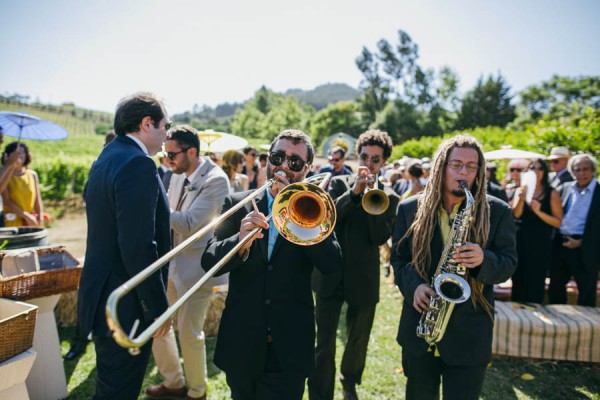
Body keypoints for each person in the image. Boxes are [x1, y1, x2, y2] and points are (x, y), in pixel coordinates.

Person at [201, 129, 343, 400]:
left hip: (288, 345)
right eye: (277, 157)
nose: (283, 167)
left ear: (307, 168)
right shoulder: (238, 202)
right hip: (242, 340)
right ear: (267, 160)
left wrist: (306, 222)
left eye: (295, 162)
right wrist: (238, 241)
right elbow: (209, 261)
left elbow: (332, 264)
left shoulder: (317, 206)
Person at [391, 134, 517, 400]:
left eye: (471, 167)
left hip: (469, 338)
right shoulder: (409, 208)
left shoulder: (499, 211)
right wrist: (414, 287)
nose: (464, 172)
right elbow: (399, 260)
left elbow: (508, 264)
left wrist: (484, 259)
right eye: (456, 164)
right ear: (441, 167)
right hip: (420, 331)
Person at [77, 92, 172, 399]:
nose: (167, 134)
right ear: (147, 123)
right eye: (164, 126)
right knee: (119, 391)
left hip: (101, 295)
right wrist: (157, 308)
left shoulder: (107, 156)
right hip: (125, 303)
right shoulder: (138, 163)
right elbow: (138, 246)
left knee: (111, 386)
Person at [309, 130, 399, 400]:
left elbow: (379, 237)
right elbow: (328, 219)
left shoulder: (390, 196)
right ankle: (320, 392)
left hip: (363, 276)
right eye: (364, 157)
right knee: (323, 341)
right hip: (330, 273)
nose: (369, 164)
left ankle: (349, 382)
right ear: (356, 156)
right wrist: (355, 192)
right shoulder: (338, 184)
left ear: (383, 163)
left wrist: (373, 196)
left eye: (375, 159)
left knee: (358, 338)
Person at [146, 125, 229, 400]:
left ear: (192, 151)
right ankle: (173, 382)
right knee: (158, 323)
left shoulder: (216, 180)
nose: (167, 160)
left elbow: (191, 224)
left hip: (196, 268)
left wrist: (154, 206)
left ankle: (197, 392)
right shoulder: (176, 174)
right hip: (168, 263)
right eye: (166, 154)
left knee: (190, 334)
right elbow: (171, 218)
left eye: (172, 154)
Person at [548, 154, 599, 307]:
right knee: (556, 286)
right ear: (572, 171)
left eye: (586, 169)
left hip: (586, 246)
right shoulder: (564, 188)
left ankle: (585, 328)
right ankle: (558, 323)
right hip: (560, 243)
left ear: (593, 171)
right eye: (577, 170)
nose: (581, 173)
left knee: (586, 290)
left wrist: (581, 242)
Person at [511, 158, 563, 304]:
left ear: (545, 172)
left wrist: (539, 212)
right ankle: (518, 317)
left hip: (541, 242)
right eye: (532, 168)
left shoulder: (552, 193)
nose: (536, 171)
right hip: (520, 240)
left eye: (540, 168)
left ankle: (534, 313)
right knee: (518, 277)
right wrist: (521, 199)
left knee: (536, 279)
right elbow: (516, 214)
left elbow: (558, 222)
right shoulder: (520, 190)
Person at [1, 142, 45, 227]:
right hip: (11, 222)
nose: (20, 155)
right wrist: (26, 216)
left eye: (22, 152)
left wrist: (40, 216)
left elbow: (37, 200)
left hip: (30, 222)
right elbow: (6, 201)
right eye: (16, 153)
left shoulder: (32, 175)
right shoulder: (5, 175)